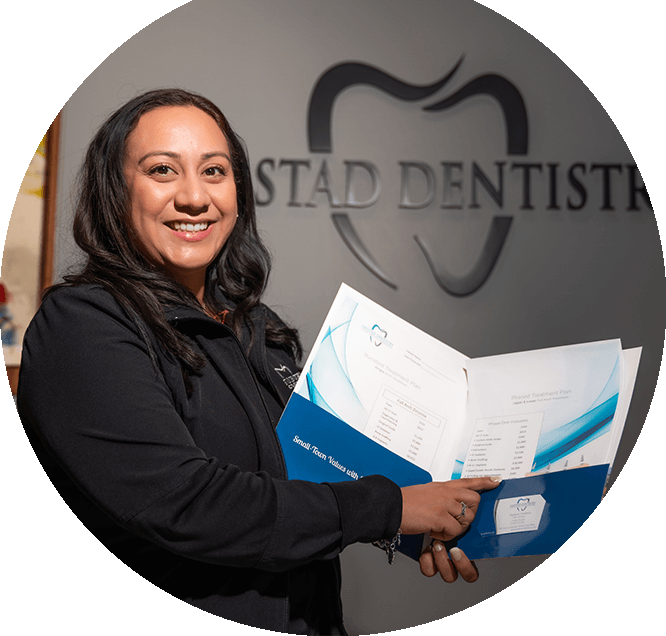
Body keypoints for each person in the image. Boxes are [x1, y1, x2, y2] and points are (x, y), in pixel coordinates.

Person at [17, 89, 500, 633]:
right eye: (162, 171)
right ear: (115, 192)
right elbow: (187, 504)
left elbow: (302, 485)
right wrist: (390, 508)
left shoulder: (255, 326)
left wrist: (423, 521)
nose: (195, 197)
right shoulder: (82, 326)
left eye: (215, 171)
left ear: (239, 193)